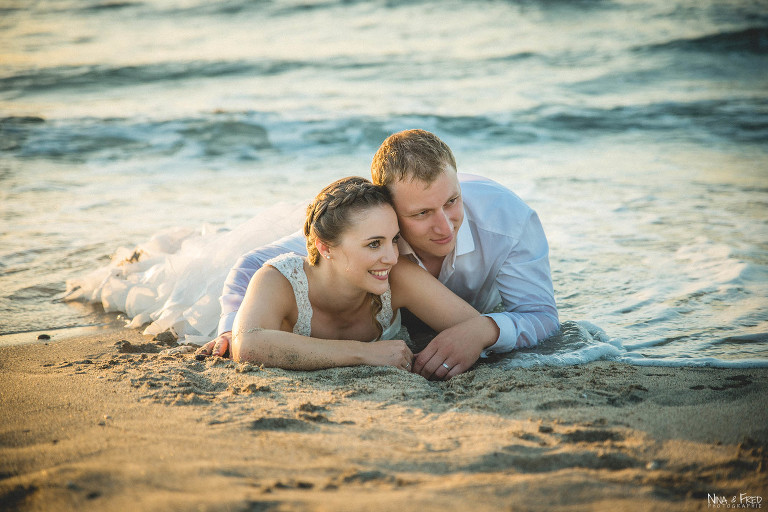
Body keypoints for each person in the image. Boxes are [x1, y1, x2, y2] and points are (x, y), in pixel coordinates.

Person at [200, 129, 559, 379]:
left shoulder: (509, 222)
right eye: (420, 214)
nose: (447, 228)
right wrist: (232, 328)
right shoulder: (365, 227)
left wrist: (485, 328)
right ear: (390, 207)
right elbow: (256, 266)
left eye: (452, 202)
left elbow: (540, 315)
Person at [216, 176, 480, 375]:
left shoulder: (396, 276)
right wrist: (364, 353)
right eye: (374, 244)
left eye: (394, 240)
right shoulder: (279, 280)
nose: (391, 257)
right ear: (325, 247)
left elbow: (472, 324)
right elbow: (248, 345)